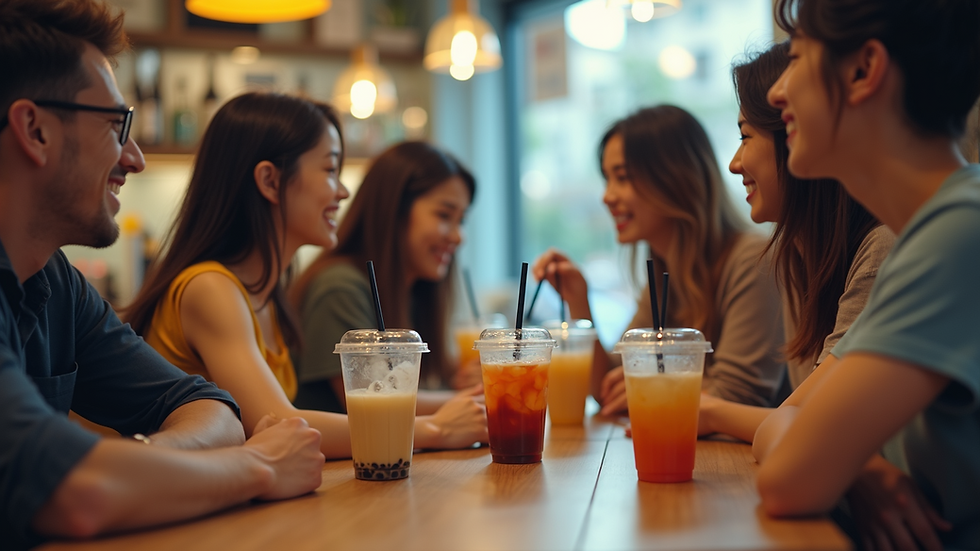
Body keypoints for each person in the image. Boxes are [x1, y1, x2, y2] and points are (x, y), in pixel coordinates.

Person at [0, 1, 324, 548]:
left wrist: (140, 463)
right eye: (114, 126)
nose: (135, 157)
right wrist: (259, 468)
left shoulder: (57, 283)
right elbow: (74, 494)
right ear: (35, 130)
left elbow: (210, 406)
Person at [125, 97, 487, 458]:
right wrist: (436, 428)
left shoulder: (265, 295)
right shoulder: (210, 288)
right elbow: (279, 422)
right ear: (270, 180)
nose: (343, 191)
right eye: (330, 170)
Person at [754, 1, 980, 550]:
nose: (775, 92)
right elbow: (776, 426)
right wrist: (860, 469)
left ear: (863, 71)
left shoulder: (960, 233)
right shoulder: (921, 240)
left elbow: (789, 481)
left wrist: (838, 461)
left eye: (799, 57)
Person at [699, 42, 895, 441]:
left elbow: (807, 427)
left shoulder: (883, 248)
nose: (734, 163)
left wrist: (710, 412)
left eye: (745, 136)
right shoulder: (797, 257)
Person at [533, 105, 785, 415]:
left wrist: (652, 386)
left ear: (676, 178)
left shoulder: (753, 261)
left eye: (622, 178)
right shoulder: (665, 275)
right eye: (607, 179)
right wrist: (578, 301)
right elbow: (609, 385)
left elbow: (737, 396)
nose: (607, 197)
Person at [290, 141, 483, 414]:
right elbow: (375, 401)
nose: (458, 236)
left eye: (461, 220)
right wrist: (484, 397)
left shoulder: (413, 292)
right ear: (394, 210)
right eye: (444, 215)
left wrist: (463, 381)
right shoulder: (340, 288)